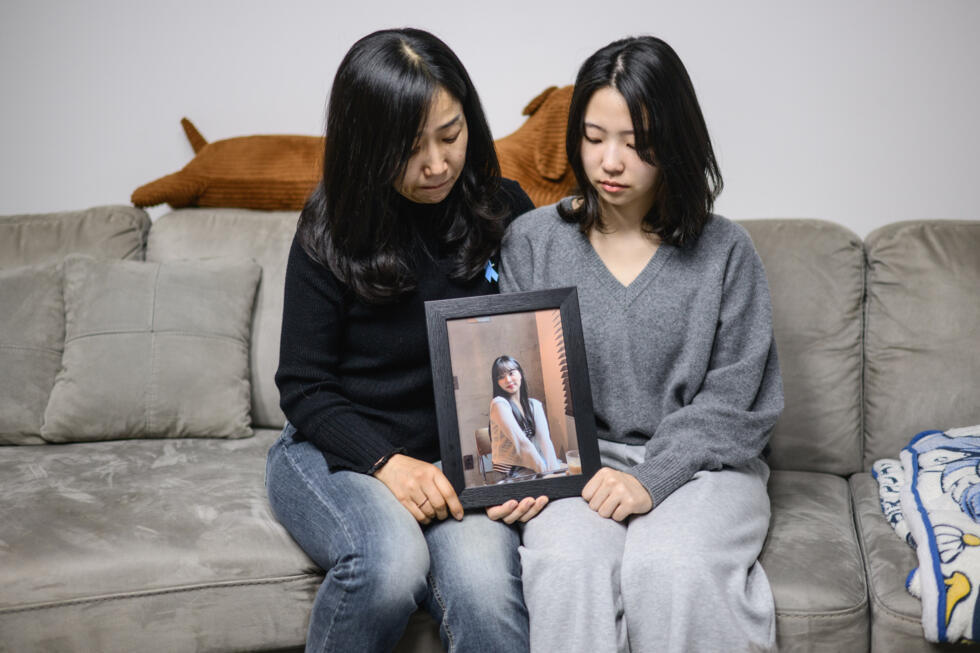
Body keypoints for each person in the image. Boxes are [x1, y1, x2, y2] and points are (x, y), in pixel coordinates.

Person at [266, 28, 548, 652]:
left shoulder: (505, 208)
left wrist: (527, 469)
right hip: (337, 448)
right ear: (365, 149)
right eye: (408, 148)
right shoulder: (330, 228)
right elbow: (304, 387)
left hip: (458, 465)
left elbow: (530, 350)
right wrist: (387, 465)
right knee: (389, 566)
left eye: (450, 135)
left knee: (485, 592)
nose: (437, 164)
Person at [500, 35, 784, 652]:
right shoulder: (531, 242)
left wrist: (653, 478)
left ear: (674, 144)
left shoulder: (726, 252)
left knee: (671, 565)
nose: (610, 162)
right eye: (594, 138)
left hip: (704, 467)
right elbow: (519, 382)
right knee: (568, 566)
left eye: (636, 143)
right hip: (578, 467)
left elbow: (737, 401)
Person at [488, 355, 561, 478]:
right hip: (509, 470)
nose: (508, 380)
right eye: (501, 377)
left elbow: (545, 441)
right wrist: (544, 474)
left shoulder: (534, 405)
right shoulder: (499, 404)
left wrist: (553, 471)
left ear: (520, 374)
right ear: (497, 383)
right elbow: (522, 443)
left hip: (530, 464)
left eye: (511, 373)